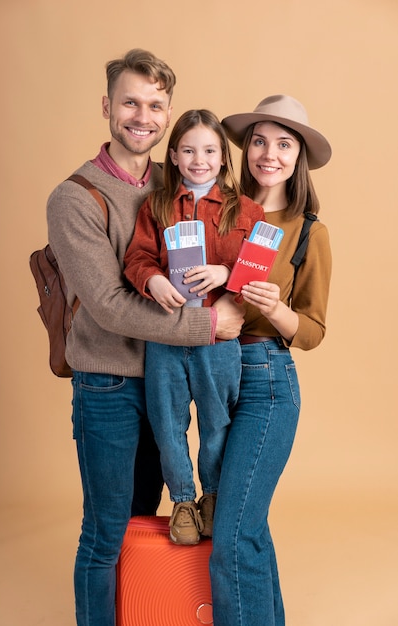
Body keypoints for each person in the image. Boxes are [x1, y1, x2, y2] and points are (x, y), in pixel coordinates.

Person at [46, 49, 244, 626]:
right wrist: (208, 326)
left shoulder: (181, 182)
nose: (143, 116)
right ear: (108, 107)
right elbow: (108, 305)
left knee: (144, 518)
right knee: (107, 530)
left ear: (169, 113)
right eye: (130, 101)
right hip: (108, 385)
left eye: (156, 105)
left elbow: (230, 246)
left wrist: (235, 280)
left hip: (172, 380)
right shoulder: (75, 198)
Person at [209, 94, 332, 625]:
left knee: (234, 533)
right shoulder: (218, 211)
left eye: (284, 144)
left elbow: (312, 331)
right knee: (242, 527)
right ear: (246, 148)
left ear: (298, 156)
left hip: (267, 380)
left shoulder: (308, 231)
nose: (269, 154)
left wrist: (276, 310)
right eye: (259, 140)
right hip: (212, 376)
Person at [124, 109, 265, 546]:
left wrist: (227, 276)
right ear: (173, 155)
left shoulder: (247, 210)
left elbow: (257, 271)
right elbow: (137, 257)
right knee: (167, 424)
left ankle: (213, 497)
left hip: (219, 341)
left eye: (208, 150)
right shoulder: (157, 205)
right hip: (167, 335)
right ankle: (183, 500)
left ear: (224, 157)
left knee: (217, 422)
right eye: (188, 150)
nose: (198, 159)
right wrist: (153, 279)